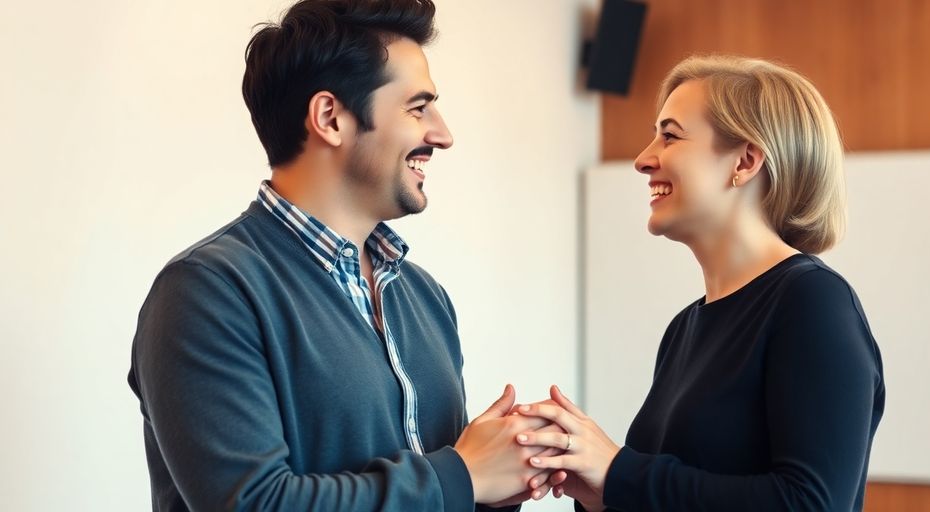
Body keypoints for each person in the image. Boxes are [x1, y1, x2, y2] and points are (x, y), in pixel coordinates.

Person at [127, 1, 558, 510]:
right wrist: (460, 476)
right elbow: (254, 504)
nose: (442, 134)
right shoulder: (207, 292)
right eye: (418, 108)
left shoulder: (425, 297)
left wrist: (506, 476)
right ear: (330, 117)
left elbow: (443, 495)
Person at [514, 55, 886, 511]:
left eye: (669, 135)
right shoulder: (684, 329)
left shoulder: (812, 301)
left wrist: (618, 472)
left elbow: (808, 504)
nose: (643, 159)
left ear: (745, 160)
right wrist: (599, 492)